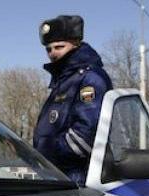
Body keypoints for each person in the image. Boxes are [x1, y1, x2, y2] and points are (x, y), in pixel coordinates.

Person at [33, 15, 113, 186]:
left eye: (59, 47)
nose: (53, 54)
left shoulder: (90, 78)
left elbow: (85, 137)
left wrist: (45, 151)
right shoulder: (64, 81)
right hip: (58, 177)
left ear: (76, 43)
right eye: (48, 49)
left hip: (78, 180)